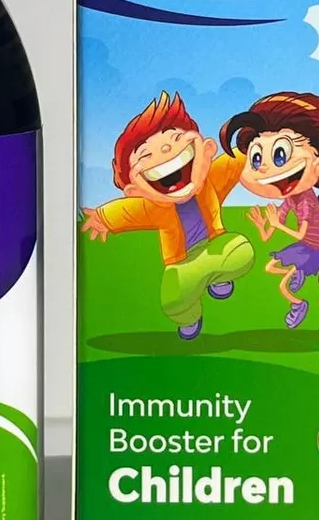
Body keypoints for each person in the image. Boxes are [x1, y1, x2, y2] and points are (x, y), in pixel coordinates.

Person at [80, 91, 254, 339]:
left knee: (241, 250)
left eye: (175, 138)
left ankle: (216, 277)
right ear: (134, 190)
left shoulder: (211, 180)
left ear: (206, 152)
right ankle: (190, 317)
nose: (164, 149)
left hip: (215, 243)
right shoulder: (152, 207)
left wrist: (254, 143)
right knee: (174, 300)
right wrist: (102, 218)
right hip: (181, 263)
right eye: (145, 154)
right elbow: (126, 211)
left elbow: (235, 160)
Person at [220, 92, 319, 328]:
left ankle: (298, 304)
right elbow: (269, 236)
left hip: (315, 250)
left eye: (279, 155)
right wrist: (262, 225)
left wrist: (276, 223)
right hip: (304, 247)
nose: (264, 168)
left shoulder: (305, 200)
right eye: (256, 159)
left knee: (283, 286)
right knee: (271, 266)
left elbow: (301, 233)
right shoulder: (290, 197)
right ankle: (298, 274)